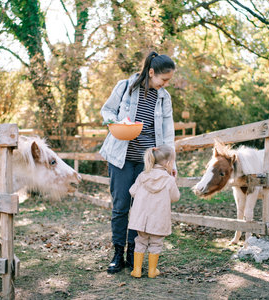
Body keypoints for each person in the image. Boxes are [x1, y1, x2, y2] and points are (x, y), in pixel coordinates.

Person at [100, 51, 177, 274]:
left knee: (141, 209)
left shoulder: (164, 98)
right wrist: (118, 123)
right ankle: (117, 253)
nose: (165, 84)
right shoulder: (125, 87)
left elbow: (168, 133)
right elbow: (107, 111)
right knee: (121, 206)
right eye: (164, 79)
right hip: (121, 159)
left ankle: (135, 252)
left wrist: (171, 163)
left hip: (149, 164)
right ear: (151, 73)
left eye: (168, 80)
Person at [128, 145, 180, 278]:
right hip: (159, 219)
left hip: (142, 219)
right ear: (168, 163)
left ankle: (137, 270)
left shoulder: (143, 175)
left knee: (140, 241)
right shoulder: (168, 180)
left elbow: (132, 191)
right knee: (156, 243)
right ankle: (152, 271)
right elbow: (175, 197)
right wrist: (174, 181)